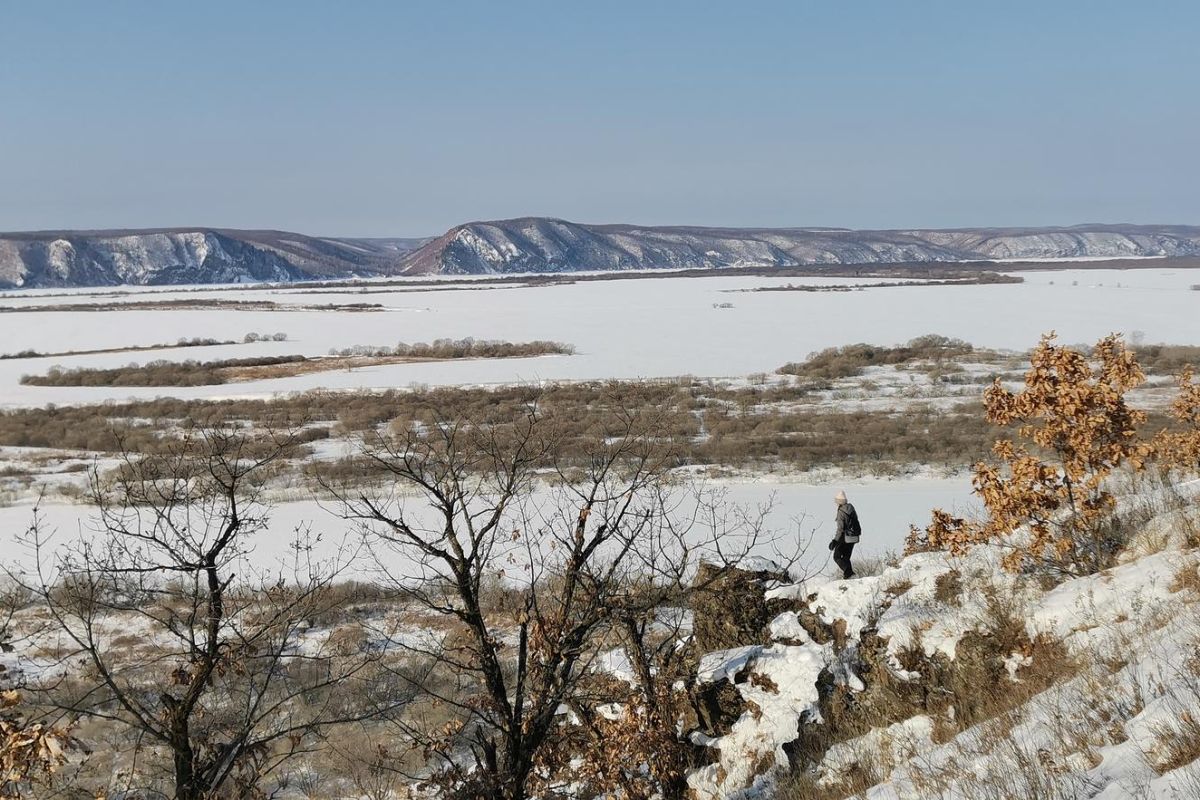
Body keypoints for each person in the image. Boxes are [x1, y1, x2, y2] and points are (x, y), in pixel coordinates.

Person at [828, 489, 861, 579]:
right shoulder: (851, 507)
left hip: (845, 537)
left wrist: (835, 541)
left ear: (839, 502)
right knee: (846, 557)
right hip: (854, 536)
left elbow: (840, 528)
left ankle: (849, 573)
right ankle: (850, 575)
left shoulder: (841, 512)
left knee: (837, 557)